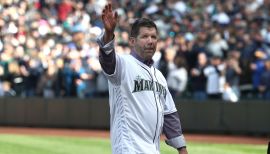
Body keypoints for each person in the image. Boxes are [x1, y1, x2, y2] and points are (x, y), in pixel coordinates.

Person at [96, 3, 188, 154]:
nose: (150, 40)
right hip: (128, 148)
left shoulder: (159, 76)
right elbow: (107, 59)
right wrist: (108, 35)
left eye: (153, 37)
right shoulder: (123, 64)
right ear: (132, 41)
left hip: (153, 150)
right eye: (145, 36)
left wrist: (182, 149)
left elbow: (169, 115)